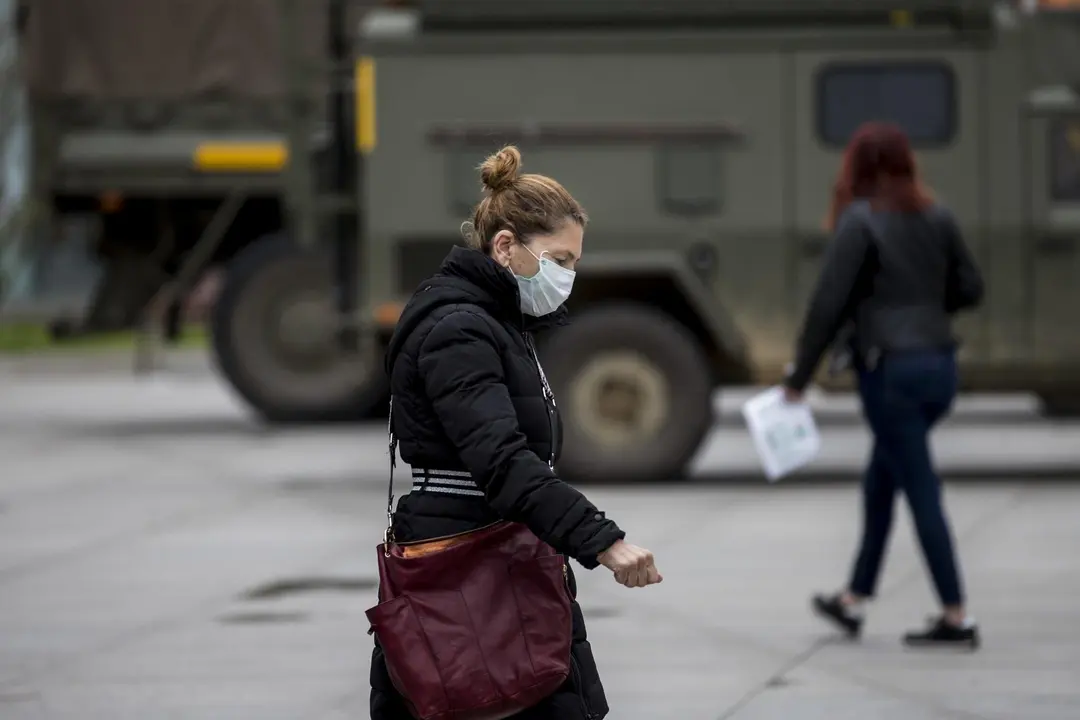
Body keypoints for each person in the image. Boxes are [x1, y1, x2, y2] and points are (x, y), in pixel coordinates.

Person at [371, 145, 663, 719]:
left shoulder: (496, 322)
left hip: (503, 559)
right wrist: (603, 540)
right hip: (468, 568)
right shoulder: (460, 330)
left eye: (574, 263)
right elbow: (502, 461)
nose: (568, 277)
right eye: (559, 259)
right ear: (505, 246)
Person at [783, 122, 985, 649]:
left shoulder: (860, 221)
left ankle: (956, 616)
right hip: (939, 367)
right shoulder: (936, 214)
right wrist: (925, 307)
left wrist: (799, 378)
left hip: (890, 372)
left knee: (921, 490)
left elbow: (827, 306)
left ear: (855, 166)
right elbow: (970, 287)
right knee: (882, 482)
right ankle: (853, 599)